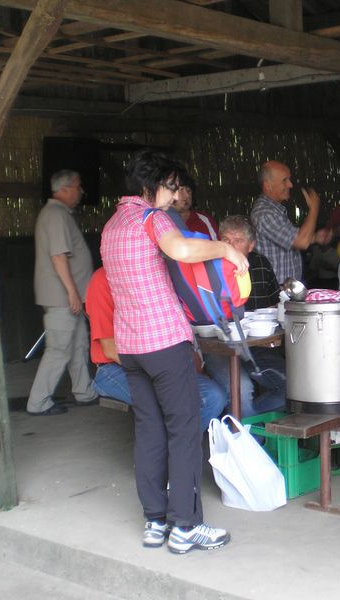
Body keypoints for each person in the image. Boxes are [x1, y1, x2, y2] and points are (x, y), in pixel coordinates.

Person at [101, 149, 248, 554]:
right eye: (169, 186)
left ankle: (155, 521)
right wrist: (225, 249)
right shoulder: (152, 217)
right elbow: (182, 251)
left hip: (131, 347)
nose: (174, 194)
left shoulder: (112, 225)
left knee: (149, 431)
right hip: (165, 343)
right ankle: (185, 526)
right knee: (184, 431)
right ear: (150, 187)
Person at [85, 266, 227, 431]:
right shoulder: (103, 279)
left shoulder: (159, 274)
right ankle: (174, 451)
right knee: (174, 400)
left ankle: (179, 449)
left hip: (159, 363)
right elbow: (110, 349)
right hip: (114, 367)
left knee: (214, 396)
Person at [26, 170, 98, 416]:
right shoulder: (55, 215)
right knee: (59, 349)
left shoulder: (58, 214)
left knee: (78, 344)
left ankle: (84, 391)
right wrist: (72, 293)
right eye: (77, 187)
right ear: (65, 189)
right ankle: (38, 402)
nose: (81, 192)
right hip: (62, 298)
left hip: (68, 298)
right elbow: (58, 257)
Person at [203, 215, 287, 418]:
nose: (230, 247)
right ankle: (249, 440)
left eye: (238, 241)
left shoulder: (260, 264)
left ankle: (242, 424)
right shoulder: (207, 268)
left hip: (258, 346)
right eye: (226, 240)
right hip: (220, 348)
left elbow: (274, 305)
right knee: (241, 389)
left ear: (251, 245)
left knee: (291, 386)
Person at [250, 160, 330, 283]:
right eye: (284, 180)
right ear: (268, 185)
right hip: (277, 293)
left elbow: (288, 238)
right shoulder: (264, 214)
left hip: (285, 290)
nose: (290, 185)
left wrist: (314, 238)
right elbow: (301, 242)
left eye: (289, 179)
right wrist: (314, 209)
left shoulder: (275, 210)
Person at [172, 172, 219, 239]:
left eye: (188, 191)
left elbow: (217, 246)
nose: (187, 195)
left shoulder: (204, 220)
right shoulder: (161, 221)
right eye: (181, 190)